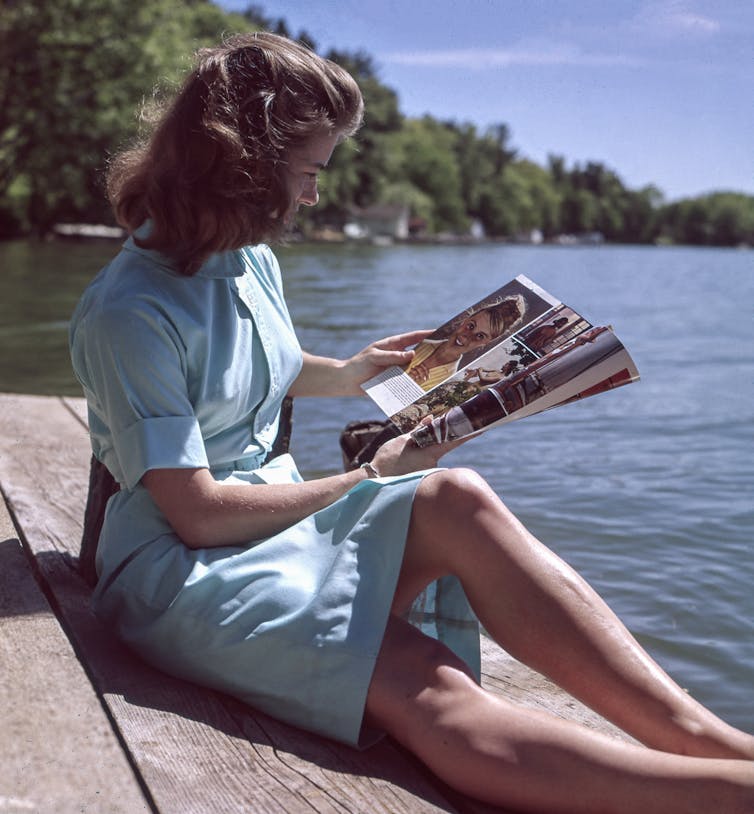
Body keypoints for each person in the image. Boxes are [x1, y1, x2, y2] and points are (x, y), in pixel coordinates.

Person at [69, 32, 754, 814]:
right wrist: (368, 478)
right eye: (311, 172)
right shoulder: (129, 312)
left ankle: (714, 742)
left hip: (270, 528)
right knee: (427, 686)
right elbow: (194, 514)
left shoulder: (247, 258)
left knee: (456, 496)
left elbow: (257, 367)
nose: (315, 196)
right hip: (181, 574)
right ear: (247, 170)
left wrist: (356, 370)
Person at [406, 297, 524, 391]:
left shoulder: (448, 380)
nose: (466, 337)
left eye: (480, 336)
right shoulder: (419, 344)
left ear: (485, 343)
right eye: (471, 326)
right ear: (465, 320)